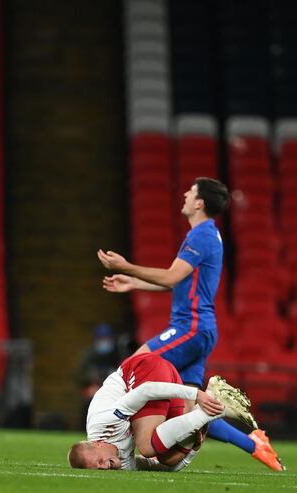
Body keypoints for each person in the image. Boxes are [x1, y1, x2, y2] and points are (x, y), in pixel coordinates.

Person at [98, 177, 284, 471]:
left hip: (191, 327)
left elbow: (172, 277)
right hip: (200, 329)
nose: (184, 194)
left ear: (200, 202)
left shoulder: (202, 236)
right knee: (193, 409)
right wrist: (134, 282)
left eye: (191, 192)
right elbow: (181, 282)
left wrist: (125, 266)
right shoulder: (206, 234)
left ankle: (114, 443)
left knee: (136, 366)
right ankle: (254, 444)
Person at [68, 352, 255, 471]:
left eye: (99, 462)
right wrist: (192, 450)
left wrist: (195, 394)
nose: (104, 468)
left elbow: (146, 390)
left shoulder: (105, 423)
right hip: (162, 379)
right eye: (97, 469)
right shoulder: (122, 465)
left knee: (147, 446)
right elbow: (162, 467)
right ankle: (212, 408)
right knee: (169, 457)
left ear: (98, 444)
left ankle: (214, 408)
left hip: (142, 370)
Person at [75, 323, 123, 424]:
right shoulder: (89, 354)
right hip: (94, 391)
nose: (104, 342)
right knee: (88, 402)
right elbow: (78, 375)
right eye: (101, 338)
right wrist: (90, 381)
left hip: (116, 392)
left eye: (107, 338)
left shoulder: (119, 354)